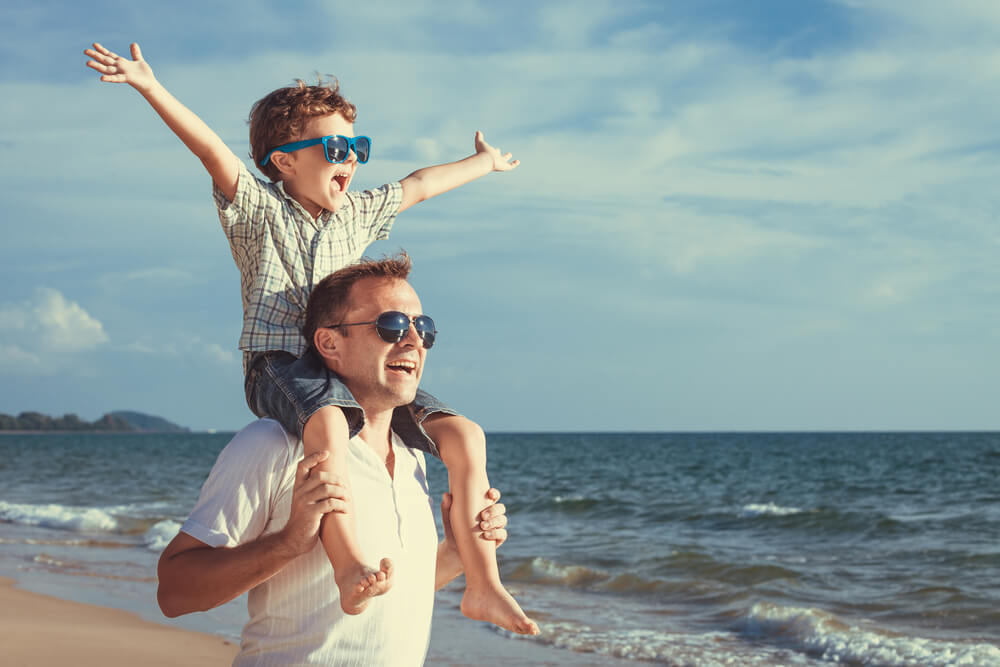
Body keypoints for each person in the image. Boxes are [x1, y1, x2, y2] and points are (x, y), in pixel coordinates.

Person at [84, 42, 537, 635]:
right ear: (282, 161)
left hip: (346, 370)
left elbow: (420, 184)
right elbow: (211, 150)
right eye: (333, 147)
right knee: (327, 422)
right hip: (280, 364)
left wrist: (482, 164)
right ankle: (346, 562)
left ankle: (484, 583)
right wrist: (149, 85)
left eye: (357, 147)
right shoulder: (257, 211)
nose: (349, 158)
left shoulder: (356, 215)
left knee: (464, 434)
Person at [157, 253, 521, 664]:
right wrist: (289, 543)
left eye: (423, 328)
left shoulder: (413, 458)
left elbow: (378, 600)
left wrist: (456, 553)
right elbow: (173, 591)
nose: (414, 341)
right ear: (330, 342)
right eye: (392, 326)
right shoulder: (274, 445)